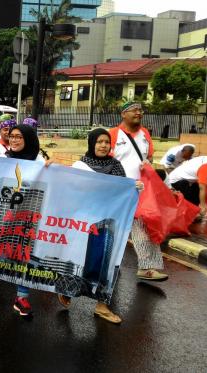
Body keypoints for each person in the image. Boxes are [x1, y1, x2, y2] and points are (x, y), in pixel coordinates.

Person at [58, 128, 142, 324]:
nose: (104, 145)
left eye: (107, 142)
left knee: (109, 263)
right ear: (92, 143)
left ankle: (102, 306)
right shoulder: (81, 165)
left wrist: (134, 187)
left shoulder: (116, 165)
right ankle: (68, 291)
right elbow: (72, 188)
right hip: (84, 220)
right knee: (80, 258)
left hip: (109, 220)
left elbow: (124, 188)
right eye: (99, 142)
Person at [0, 122, 47, 317]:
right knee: (1, 249)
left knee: (24, 253)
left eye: (19, 137)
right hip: (5, 213)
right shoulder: (3, 159)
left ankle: (21, 297)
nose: (14, 140)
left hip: (28, 214)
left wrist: (52, 169)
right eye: (12, 136)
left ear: (28, 139)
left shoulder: (40, 162)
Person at [109, 102, 167, 281]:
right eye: (134, 110)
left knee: (143, 228)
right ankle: (110, 266)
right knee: (113, 231)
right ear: (123, 114)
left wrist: (148, 164)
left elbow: (148, 157)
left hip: (140, 193)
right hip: (116, 193)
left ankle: (147, 267)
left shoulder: (145, 134)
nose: (139, 113)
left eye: (140, 110)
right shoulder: (112, 134)